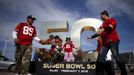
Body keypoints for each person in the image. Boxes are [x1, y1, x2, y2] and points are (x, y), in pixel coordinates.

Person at [87, 10, 127, 75]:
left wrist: (103, 29)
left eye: (101, 16)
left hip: (113, 41)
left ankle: (124, 73)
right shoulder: (102, 24)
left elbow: (110, 27)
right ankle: (99, 73)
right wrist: (91, 37)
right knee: (101, 58)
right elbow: (99, 33)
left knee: (115, 55)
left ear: (104, 14)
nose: (101, 17)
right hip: (105, 44)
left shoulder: (112, 20)